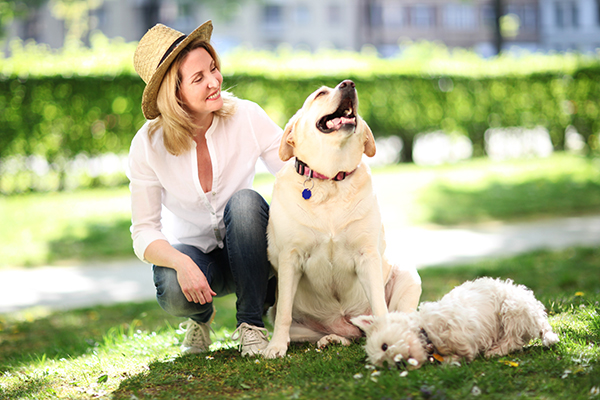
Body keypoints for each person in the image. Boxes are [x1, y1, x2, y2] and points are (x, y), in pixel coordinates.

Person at [128, 20, 285, 357]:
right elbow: (143, 232)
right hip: (200, 263)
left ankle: (251, 325)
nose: (214, 82)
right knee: (170, 284)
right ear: (175, 93)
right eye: (198, 79)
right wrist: (181, 264)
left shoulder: (245, 115)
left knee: (245, 203)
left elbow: (292, 171)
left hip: (253, 252)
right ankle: (201, 317)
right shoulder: (147, 144)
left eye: (213, 68)